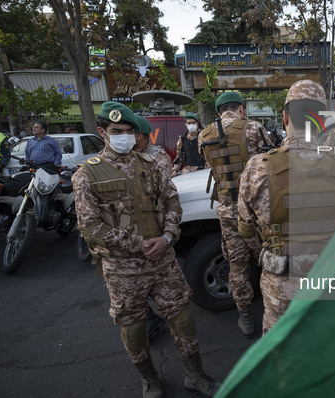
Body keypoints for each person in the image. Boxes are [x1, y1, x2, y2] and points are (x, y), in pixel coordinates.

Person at [72, 101, 220, 398]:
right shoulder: (87, 174)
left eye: (129, 131)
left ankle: (195, 374)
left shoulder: (151, 166)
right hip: (123, 267)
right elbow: (90, 226)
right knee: (134, 327)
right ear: (103, 132)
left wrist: (167, 237)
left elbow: (172, 202)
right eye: (117, 131)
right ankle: (149, 378)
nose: (124, 136)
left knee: (182, 317)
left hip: (162, 259)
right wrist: (139, 244)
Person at [237, 80, 335, 334]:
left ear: (285, 118)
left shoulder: (258, 167)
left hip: (281, 286)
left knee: (280, 355)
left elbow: (246, 229)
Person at [198, 92, 270, 338]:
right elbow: (272, 161)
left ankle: (246, 318)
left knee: (237, 265)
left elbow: (209, 165)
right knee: (269, 260)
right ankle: (274, 312)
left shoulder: (204, 135)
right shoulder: (254, 127)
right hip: (256, 209)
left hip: (227, 209)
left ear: (219, 111)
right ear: (241, 108)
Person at [133, 115, 173, 340]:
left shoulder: (158, 157)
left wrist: (167, 235)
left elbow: (166, 195)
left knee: (162, 280)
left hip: (154, 227)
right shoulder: (124, 156)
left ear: (138, 134)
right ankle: (149, 317)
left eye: (128, 132)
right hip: (131, 231)